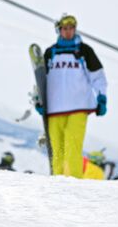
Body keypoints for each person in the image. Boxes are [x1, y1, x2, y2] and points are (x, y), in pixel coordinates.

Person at [35, 14, 107, 178]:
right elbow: (41, 81)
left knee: (72, 147)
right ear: (59, 30)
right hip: (54, 109)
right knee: (57, 149)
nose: (68, 32)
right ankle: (56, 183)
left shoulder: (84, 51)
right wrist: (40, 101)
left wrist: (101, 97)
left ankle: (73, 183)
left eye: (71, 28)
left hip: (79, 107)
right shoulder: (50, 53)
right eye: (65, 29)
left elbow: (98, 77)